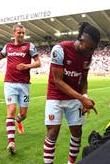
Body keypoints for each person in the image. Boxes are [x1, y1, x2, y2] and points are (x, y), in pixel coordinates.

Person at [43, 22, 100, 164]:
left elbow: (84, 80)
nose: (92, 52)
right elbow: (58, 81)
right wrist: (81, 98)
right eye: (90, 48)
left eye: (94, 49)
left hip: (74, 97)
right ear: (81, 41)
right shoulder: (60, 49)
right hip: (55, 96)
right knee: (53, 132)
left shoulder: (88, 56)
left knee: (77, 132)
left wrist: (84, 97)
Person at [0, 24, 41, 154]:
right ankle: (11, 142)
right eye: (19, 33)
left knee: (23, 114)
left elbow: (38, 62)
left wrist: (27, 66)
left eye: (23, 33)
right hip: (10, 83)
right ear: (14, 34)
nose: (21, 35)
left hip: (24, 85)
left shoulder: (29, 46)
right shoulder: (8, 46)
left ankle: (18, 121)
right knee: (11, 111)